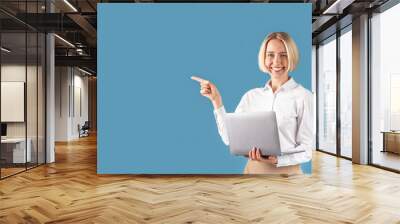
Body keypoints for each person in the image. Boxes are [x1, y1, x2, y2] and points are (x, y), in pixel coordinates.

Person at [191, 32, 314, 175]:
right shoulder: (251, 96)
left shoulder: (303, 96)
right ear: (264, 57)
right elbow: (229, 138)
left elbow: (306, 151)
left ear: (291, 57)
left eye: (283, 55)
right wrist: (216, 100)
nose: (276, 61)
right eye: (270, 55)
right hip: (252, 173)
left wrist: (278, 160)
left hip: (288, 176)